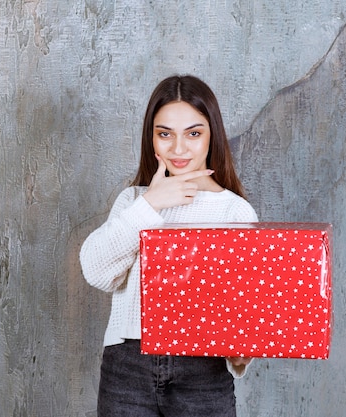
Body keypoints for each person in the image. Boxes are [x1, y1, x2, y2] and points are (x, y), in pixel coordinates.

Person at [80, 74, 258, 417]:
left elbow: (242, 306)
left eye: (193, 133)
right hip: (128, 367)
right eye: (165, 134)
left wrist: (241, 347)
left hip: (202, 371)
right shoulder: (133, 200)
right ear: (152, 139)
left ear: (212, 137)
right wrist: (151, 205)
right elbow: (96, 271)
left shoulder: (235, 211)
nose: (178, 149)